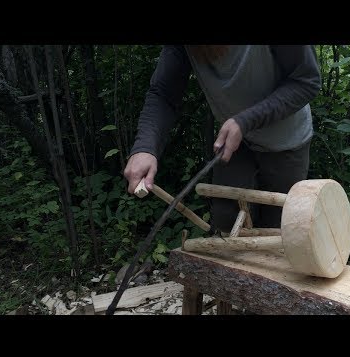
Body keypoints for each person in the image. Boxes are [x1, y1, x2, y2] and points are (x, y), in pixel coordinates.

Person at [124, 45, 321, 232]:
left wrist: (245, 121)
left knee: (279, 233)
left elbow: (307, 80)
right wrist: (145, 147)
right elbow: (164, 93)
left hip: (286, 142)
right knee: (226, 222)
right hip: (234, 144)